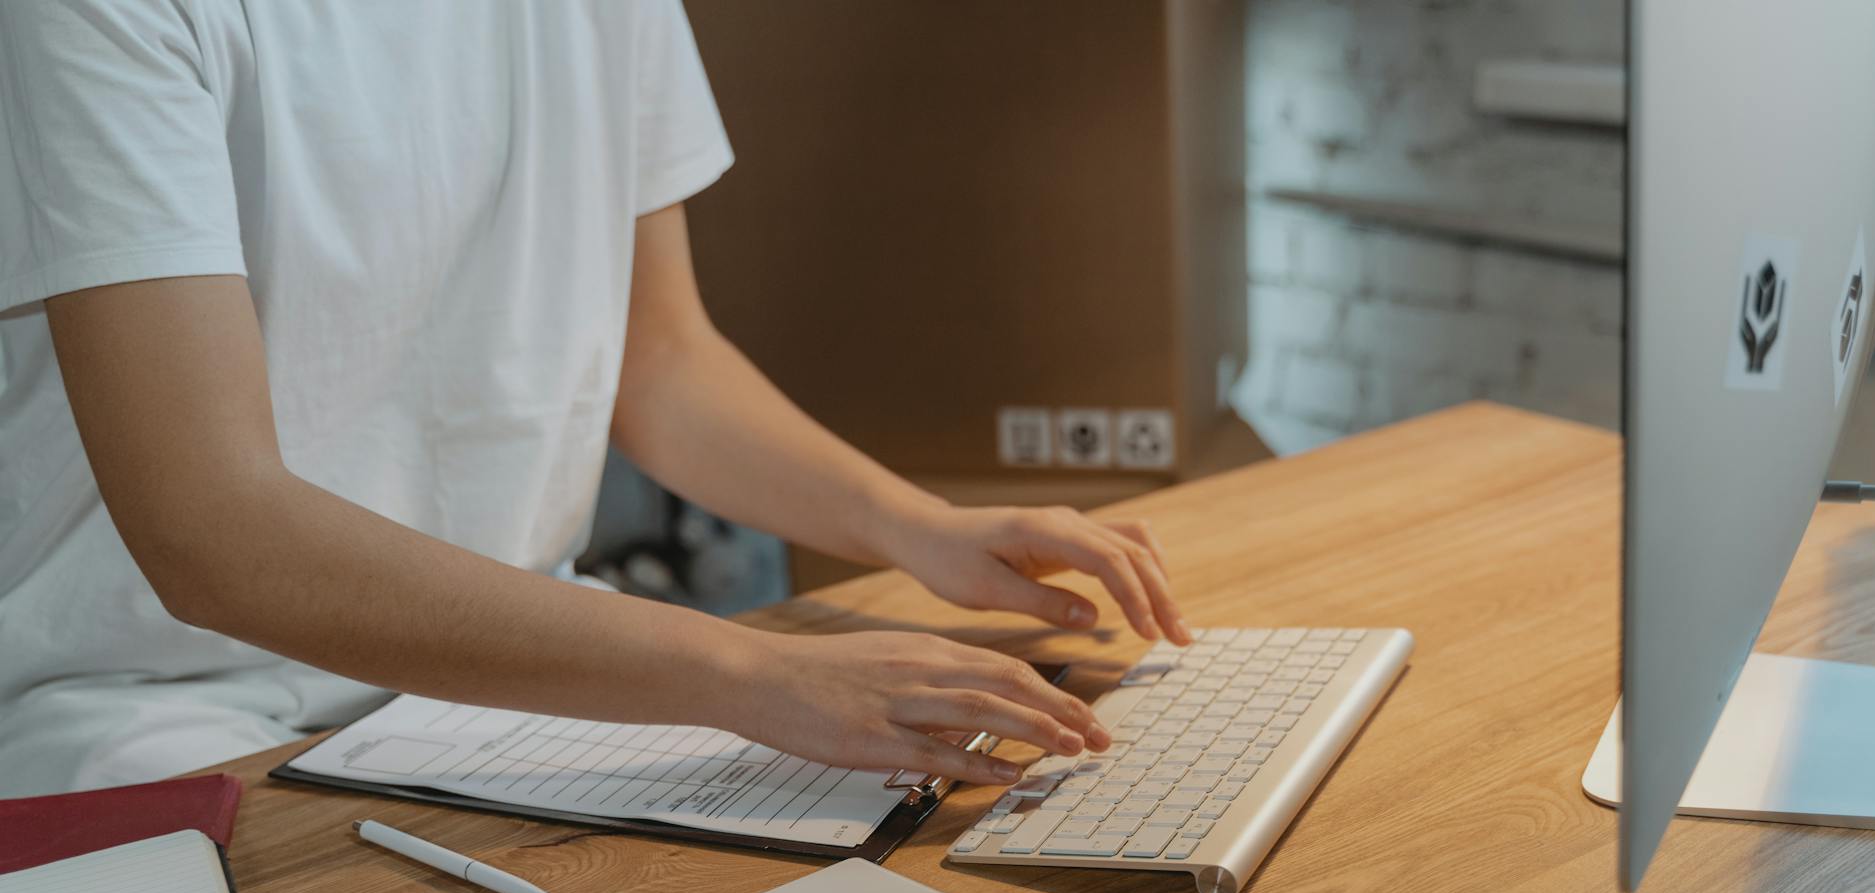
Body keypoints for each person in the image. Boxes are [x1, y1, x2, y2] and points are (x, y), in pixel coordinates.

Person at [0, 0, 1190, 800]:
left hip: (525, 668)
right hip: (155, 707)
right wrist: (756, 673)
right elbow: (215, 532)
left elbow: (660, 362)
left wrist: (917, 524)